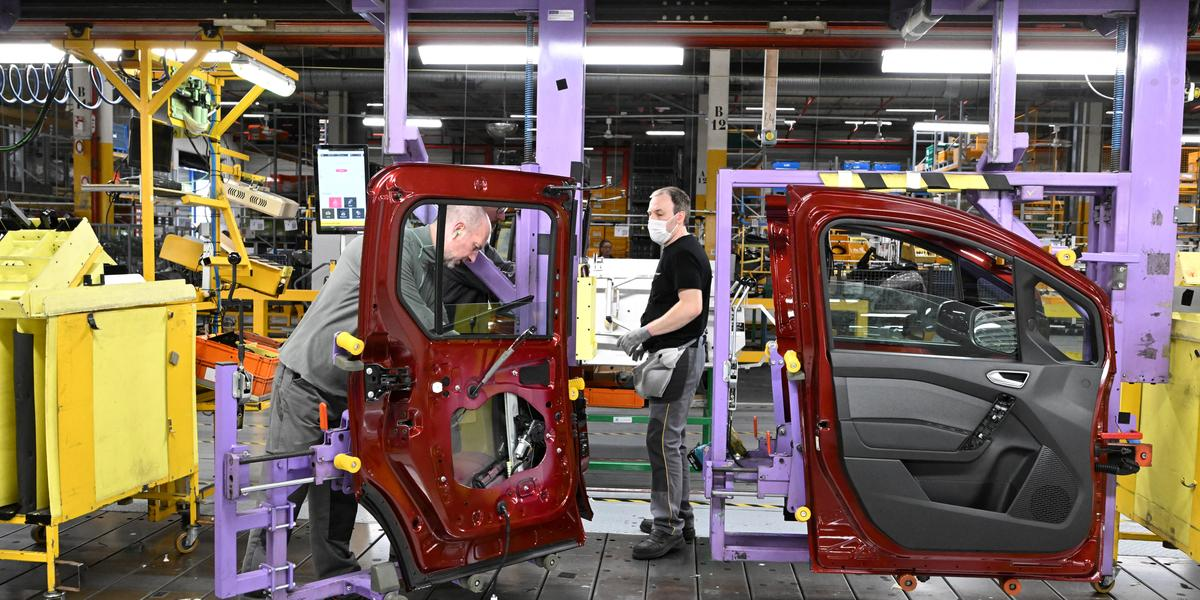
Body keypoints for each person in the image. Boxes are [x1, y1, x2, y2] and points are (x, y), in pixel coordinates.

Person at [241, 204, 492, 594]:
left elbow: (440, 325)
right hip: (308, 381)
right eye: (475, 247)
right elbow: (417, 325)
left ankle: (335, 575)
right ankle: (255, 580)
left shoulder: (431, 268)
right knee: (286, 484)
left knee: (341, 485)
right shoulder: (386, 249)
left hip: (351, 392)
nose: (475, 259)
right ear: (457, 228)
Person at [617, 186, 711, 560]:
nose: (651, 220)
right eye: (650, 213)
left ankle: (666, 526)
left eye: (659, 214)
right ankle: (680, 518)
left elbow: (691, 307)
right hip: (674, 353)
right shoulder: (674, 251)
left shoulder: (684, 252)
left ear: (679, 216)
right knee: (671, 442)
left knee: (662, 441)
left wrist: (645, 332)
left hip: (679, 356)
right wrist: (651, 336)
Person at [441, 207, 512, 321]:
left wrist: (531, 267)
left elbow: (503, 266)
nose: (503, 217)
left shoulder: (476, 241)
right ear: (481, 206)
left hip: (472, 325)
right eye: (500, 209)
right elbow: (496, 280)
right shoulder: (458, 245)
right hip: (455, 328)